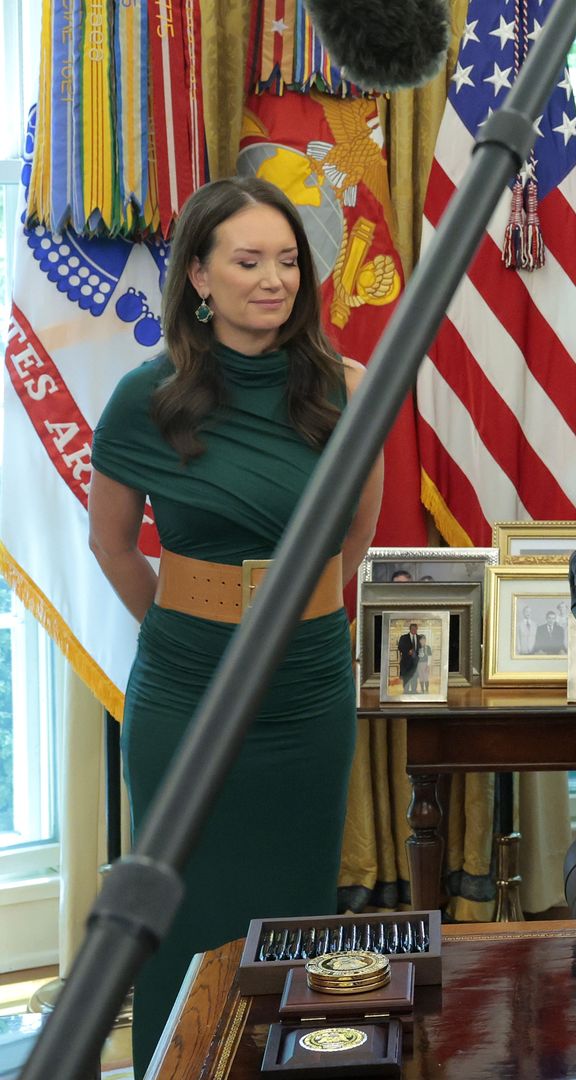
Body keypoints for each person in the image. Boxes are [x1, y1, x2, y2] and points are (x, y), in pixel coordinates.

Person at [87, 177, 382, 1074]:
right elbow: (112, 546)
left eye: (288, 261)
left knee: (294, 917)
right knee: (180, 913)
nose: (274, 280)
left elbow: (354, 542)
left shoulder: (349, 390)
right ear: (199, 278)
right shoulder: (146, 397)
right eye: (248, 261)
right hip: (186, 687)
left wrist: (281, 625)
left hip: (306, 688)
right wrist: (193, 628)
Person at [397, 621, 422, 692]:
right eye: (413, 629)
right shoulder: (403, 637)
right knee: (406, 679)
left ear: (417, 629)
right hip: (406, 663)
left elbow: (422, 649)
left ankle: (414, 691)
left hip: (416, 663)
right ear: (410, 629)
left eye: (415, 629)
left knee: (415, 678)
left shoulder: (420, 638)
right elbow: (400, 647)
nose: (414, 630)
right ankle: (406, 692)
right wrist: (408, 651)